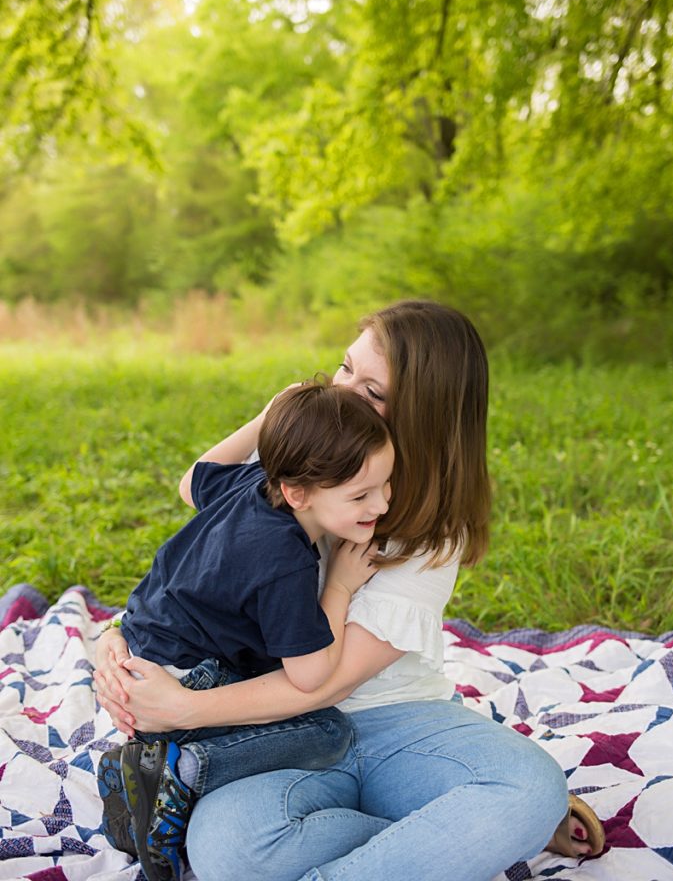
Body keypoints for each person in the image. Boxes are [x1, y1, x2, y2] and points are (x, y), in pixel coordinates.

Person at [96, 299, 604, 881]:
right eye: (344, 368)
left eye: (374, 391)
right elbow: (196, 565)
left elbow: (324, 681)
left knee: (529, 788)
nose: (344, 391)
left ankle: (448, 825)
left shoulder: (435, 530)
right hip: (269, 736)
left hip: (396, 725)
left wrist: (184, 706)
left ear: (425, 415)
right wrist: (120, 643)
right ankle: (436, 837)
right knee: (229, 853)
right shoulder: (309, 451)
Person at [97, 380, 394, 881]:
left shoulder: (254, 481)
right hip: (183, 682)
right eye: (361, 494)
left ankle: (147, 769)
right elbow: (310, 675)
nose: (381, 505)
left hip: (144, 649)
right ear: (298, 491)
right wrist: (340, 586)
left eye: (387, 484)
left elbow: (190, 481)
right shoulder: (284, 559)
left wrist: (269, 417)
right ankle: (179, 771)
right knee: (329, 730)